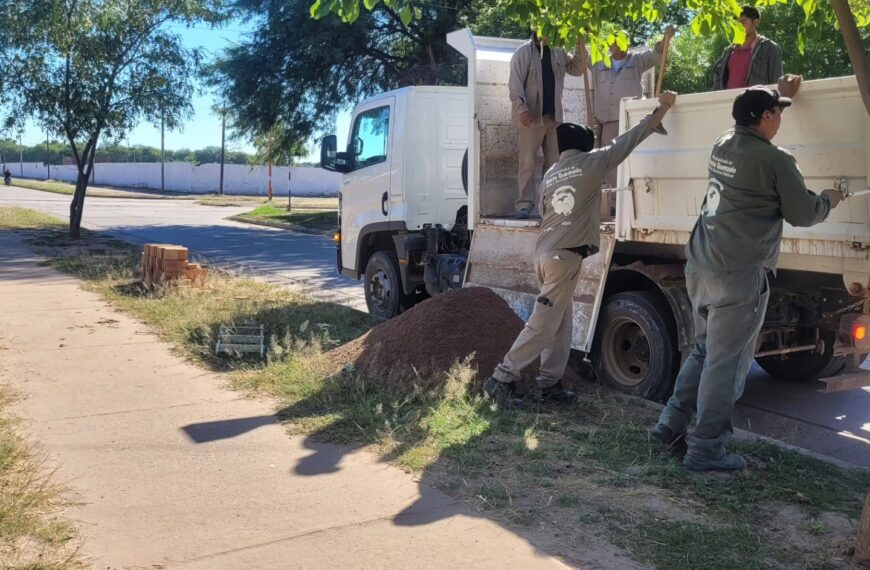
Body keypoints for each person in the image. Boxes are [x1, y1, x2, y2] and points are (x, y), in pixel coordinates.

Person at [651, 81, 842, 472]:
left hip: (702, 263)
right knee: (728, 361)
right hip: (738, 274)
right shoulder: (776, 160)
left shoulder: (722, 143)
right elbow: (804, 213)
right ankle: (706, 449)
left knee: (706, 351)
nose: (782, 119)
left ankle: (669, 424)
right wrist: (828, 200)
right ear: (766, 117)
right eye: (778, 111)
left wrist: (775, 87)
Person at [484, 90, 678, 407]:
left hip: (545, 255)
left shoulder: (549, 174)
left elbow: (547, 215)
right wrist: (659, 112)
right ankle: (501, 379)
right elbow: (624, 143)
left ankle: (549, 386)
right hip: (564, 258)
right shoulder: (590, 164)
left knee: (560, 325)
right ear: (584, 145)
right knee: (543, 325)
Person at [584, 26, 675, 190]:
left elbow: (658, 54)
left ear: (627, 43)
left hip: (630, 120)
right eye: (613, 42)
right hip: (609, 122)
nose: (617, 45)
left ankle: (632, 196)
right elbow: (579, 59)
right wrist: (582, 35)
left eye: (621, 41)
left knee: (633, 159)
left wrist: (666, 37)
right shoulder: (598, 61)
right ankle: (614, 201)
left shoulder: (637, 60)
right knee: (610, 162)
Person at [508, 30, 585, 220]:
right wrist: (521, 110)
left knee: (554, 164)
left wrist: (580, 45)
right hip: (531, 117)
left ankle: (552, 206)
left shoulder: (559, 50)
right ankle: (524, 206)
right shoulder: (523, 53)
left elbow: (577, 69)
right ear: (537, 30)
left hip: (554, 118)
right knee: (527, 162)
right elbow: (515, 86)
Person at [713, 6, 783, 91]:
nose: (738, 27)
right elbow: (717, 84)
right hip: (729, 103)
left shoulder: (770, 49)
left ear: (756, 22)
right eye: (735, 24)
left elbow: (776, 83)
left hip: (758, 102)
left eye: (743, 22)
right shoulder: (728, 52)